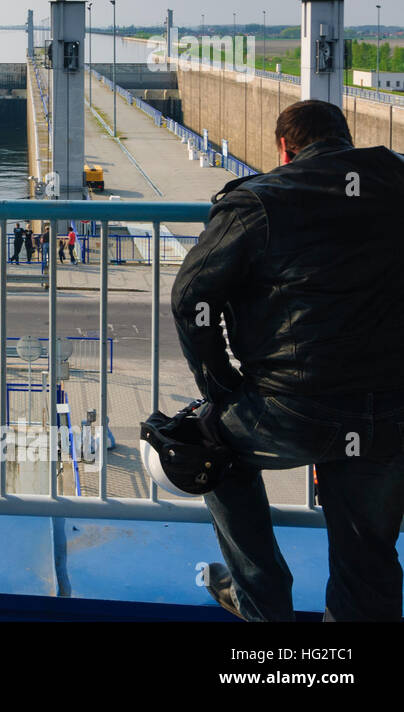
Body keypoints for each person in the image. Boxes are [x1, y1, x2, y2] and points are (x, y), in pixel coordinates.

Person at [172, 100, 404, 622]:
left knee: (205, 446)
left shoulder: (259, 202)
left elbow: (192, 300)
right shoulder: (395, 180)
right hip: (390, 411)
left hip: (288, 410)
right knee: (368, 556)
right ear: (346, 139)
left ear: (283, 149)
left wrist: (220, 389)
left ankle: (262, 598)